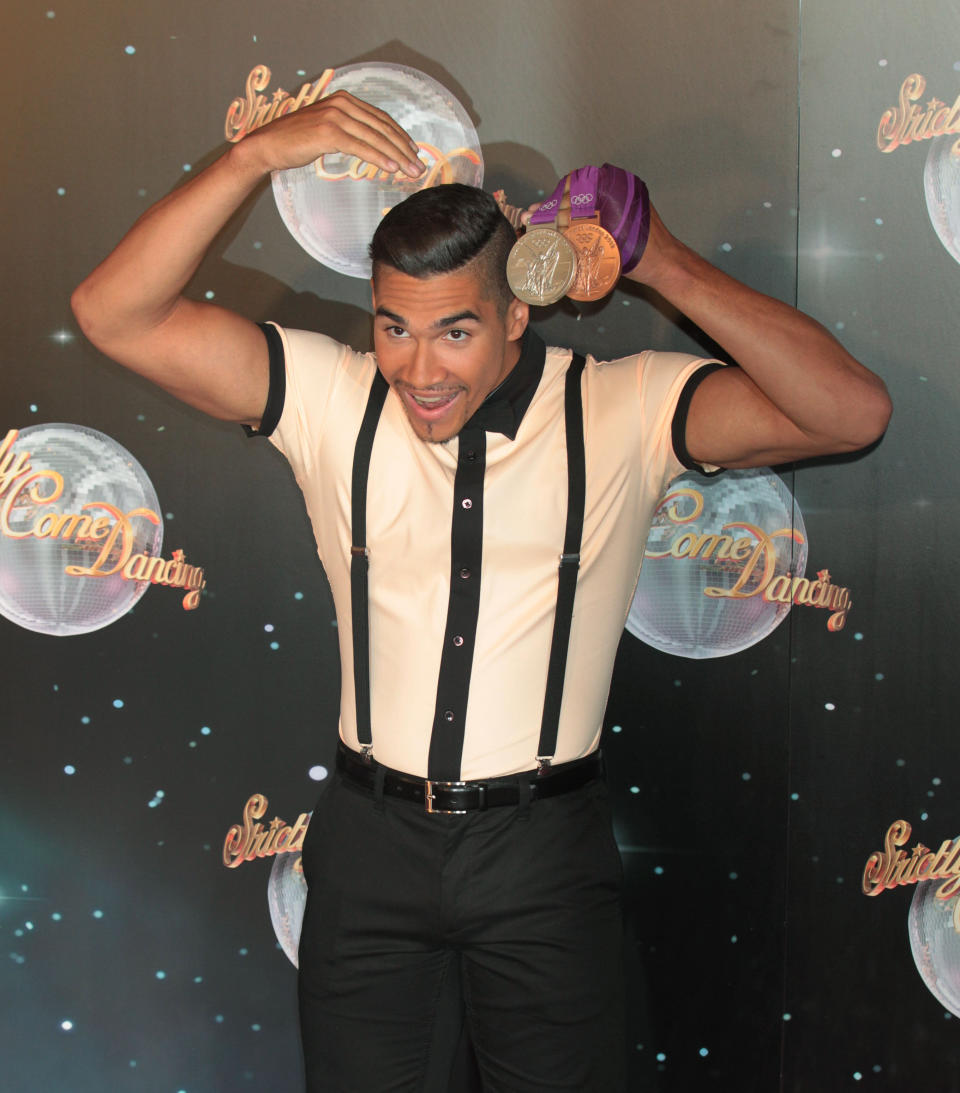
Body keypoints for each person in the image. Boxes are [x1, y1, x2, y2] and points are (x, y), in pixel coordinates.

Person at [71, 89, 891, 1093]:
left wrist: (661, 261)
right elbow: (109, 312)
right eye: (395, 328)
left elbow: (850, 412)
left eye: (455, 331)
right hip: (369, 852)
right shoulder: (331, 397)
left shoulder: (623, 406)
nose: (419, 370)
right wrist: (253, 156)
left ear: (517, 311)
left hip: (542, 857)